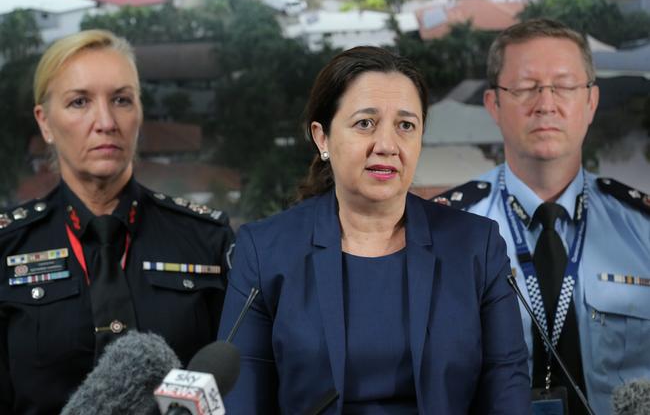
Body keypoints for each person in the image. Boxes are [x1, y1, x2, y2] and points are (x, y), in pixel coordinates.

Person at [217, 46, 531, 414]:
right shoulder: (265, 251)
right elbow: (241, 399)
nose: (387, 145)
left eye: (405, 126)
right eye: (365, 123)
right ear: (322, 137)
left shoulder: (475, 246)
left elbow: (506, 390)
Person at [0, 30, 234, 414]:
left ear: (139, 113)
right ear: (45, 123)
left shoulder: (207, 240)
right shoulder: (8, 248)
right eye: (79, 102)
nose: (106, 121)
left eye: (122, 100)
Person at [434, 18, 650, 415]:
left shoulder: (643, 229)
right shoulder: (442, 232)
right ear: (493, 105)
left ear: (591, 102)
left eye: (565, 86)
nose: (546, 104)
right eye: (525, 87)